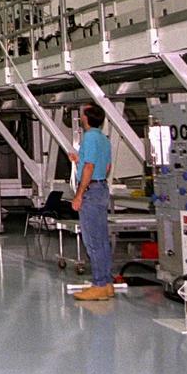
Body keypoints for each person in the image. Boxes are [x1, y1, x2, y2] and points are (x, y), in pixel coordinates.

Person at [70, 104, 114, 301]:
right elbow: (106, 167)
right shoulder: (104, 139)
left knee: (93, 241)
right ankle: (106, 283)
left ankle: (99, 284)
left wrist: (80, 194)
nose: (81, 118)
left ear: (86, 118)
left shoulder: (89, 138)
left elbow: (89, 167)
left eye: (82, 115)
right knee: (102, 239)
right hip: (102, 188)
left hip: (91, 191)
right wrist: (78, 161)